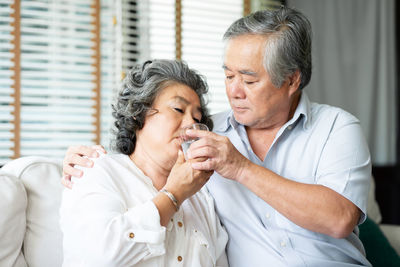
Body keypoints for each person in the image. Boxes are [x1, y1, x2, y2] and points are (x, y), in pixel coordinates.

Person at [63, 7, 372, 267]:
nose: (233, 92)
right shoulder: (205, 135)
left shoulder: (337, 129)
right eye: (228, 76)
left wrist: (241, 167)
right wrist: (76, 159)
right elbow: (144, 151)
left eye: (249, 80)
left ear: (292, 80)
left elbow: (340, 218)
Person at [59, 59, 228, 267]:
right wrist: (173, 196)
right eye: (178, 109)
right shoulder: (94, 171)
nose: (191, 124)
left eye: (197, 117)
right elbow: (99, 257)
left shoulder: (202, 198)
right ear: (139, 113)